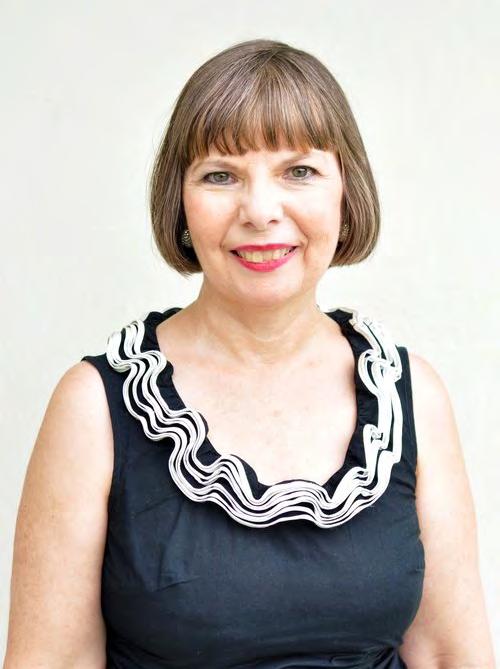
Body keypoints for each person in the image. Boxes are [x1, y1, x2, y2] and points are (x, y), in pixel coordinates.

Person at [3, 38, 495, 669]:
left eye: (299, 171)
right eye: (220, 175)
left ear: (346, 191)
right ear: (180, 203)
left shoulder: (412, 396)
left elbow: (449, 654)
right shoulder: (93, 407)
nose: (261, 211)